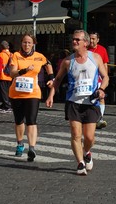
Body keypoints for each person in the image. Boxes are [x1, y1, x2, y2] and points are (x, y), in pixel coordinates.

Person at [46, 30, 109, 176]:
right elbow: (58, 80)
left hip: (91, 102)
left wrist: (101, 89)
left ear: (85, 43)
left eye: (77, 40)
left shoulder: (96, 58)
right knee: (75, 134)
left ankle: (87, 151)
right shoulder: (68, 61)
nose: (74, 42)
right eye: (73, 39)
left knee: (89, 137)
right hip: (73, 102)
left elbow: (105, 77)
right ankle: (80, 163)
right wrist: (51, 95)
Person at [8, 33, 54, 161]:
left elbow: (48, 64)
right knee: (19, 120)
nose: (26, 45)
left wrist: (51, 78)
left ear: (33, 44)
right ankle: (20, 143)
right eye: (24, 42)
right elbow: (12, 74)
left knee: (31, 120)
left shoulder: (39, 57)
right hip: (16, 93)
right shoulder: (15, 56)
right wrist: (24, 70)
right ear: (21, 43)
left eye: (29, 43)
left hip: (33, 92)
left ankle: (32, 148)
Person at [88, 31, 109, 129]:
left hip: (99, 78)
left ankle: (100, 118)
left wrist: (106, 77)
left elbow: (105, 64)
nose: (91, 41)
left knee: (101, 97)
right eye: (90, 38)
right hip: (88, 78)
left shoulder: (102, 49)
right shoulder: (85, 49)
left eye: (93, 39)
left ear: (98, 40)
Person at [0, 40, 12, 113]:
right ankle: (4, 105)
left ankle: (7, 106)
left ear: (1, 47)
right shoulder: (12, 54)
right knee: (7, 92)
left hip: (2, 76)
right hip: (10, 76)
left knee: (3, 92)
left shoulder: (1, 55)